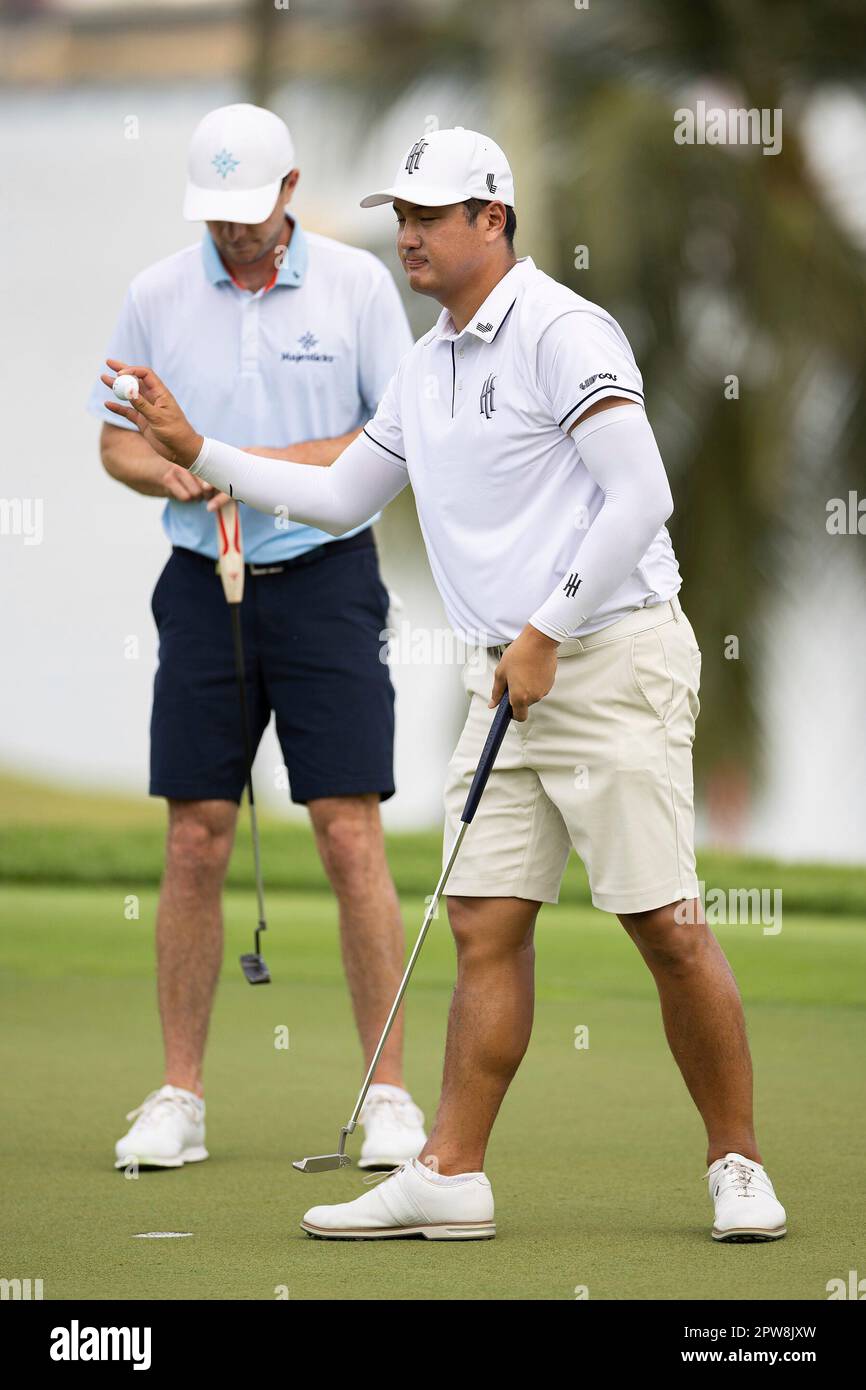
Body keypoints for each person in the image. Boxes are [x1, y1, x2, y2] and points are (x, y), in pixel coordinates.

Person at [101, 126, 787, 1245]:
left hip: (608, 657)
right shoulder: (427, 366)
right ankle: (451, 1173)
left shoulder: (562, 330)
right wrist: (200, 449)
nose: (408, 236)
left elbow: (641, 496)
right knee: (481, 923)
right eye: (401, 217)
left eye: (429, 217)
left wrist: (547, 628)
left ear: (492, 220)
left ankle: (737, 1164)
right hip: (509, 678)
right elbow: (340, 496)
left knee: (664, 924)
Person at [88, 104, 426, 1174]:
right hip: (202, 587)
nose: (233, 229)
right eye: (216, 211)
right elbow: (115, 442)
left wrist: (223, 455)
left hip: (328, 585)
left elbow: (392, 436)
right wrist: (168, 469)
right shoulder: (156, 293)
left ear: (289, 191)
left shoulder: (357, 286)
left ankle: (388, 1095)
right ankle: (179, 1097)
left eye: (249, 207)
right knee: (195, 836)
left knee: (347, 832)